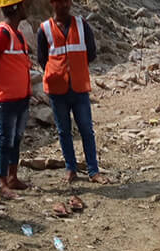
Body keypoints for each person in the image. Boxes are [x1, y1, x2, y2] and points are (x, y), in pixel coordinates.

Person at [38, 0, 109, 184]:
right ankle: (71, 169)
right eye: (60, 1)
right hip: (57, 89)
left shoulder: (81, 24)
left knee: (86, 129)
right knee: (64, 131)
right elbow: (42, 59)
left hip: (79, 87)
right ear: (52, 3)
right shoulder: (44, 29)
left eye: (67, 1)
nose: (65, 5)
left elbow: (91, 53)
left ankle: (93, 171)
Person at [0, 0, 33, 201]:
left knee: (16, 138)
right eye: (24, 5)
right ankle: (2, 183)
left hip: (21, 97)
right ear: (16, 7)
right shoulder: (1, 34)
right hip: (6, 98)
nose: (26, 8)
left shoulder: (17, 35)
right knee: (5, 139)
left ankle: (12, 177)